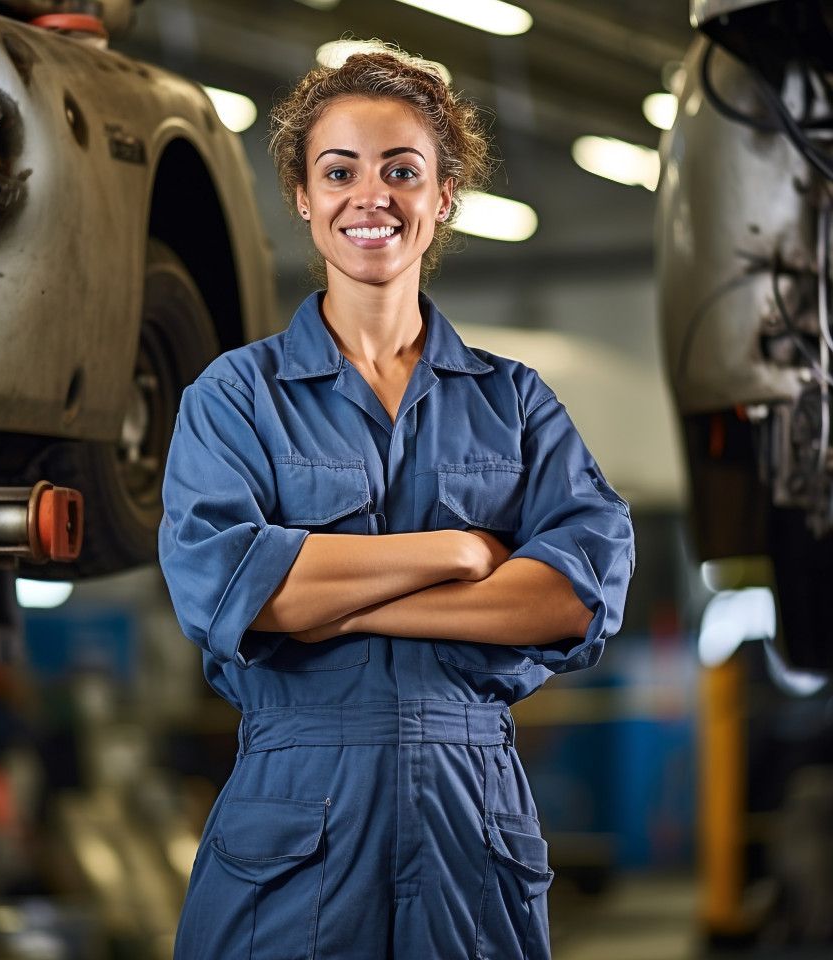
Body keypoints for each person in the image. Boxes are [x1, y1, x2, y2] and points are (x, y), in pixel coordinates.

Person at [159, 42, 634, 960]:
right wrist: (455, 553)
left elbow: (574, 596)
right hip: (293, 819)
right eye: (339, 171)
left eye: (401, 171)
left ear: (442, 196)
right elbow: (246, 594)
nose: (368, 195)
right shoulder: (234, 398)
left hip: (470, 815)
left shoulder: (516, 403)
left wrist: (335, 604)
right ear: (303, 196)